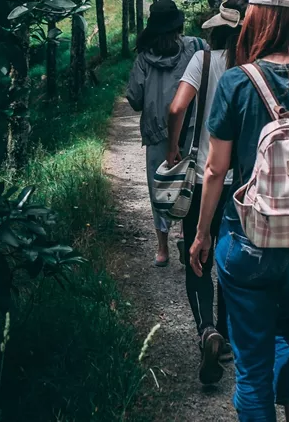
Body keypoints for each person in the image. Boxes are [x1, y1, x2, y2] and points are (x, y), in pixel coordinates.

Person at [189, 0, 289, 418]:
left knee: (252, 366)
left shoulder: (236, 82)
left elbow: (214, 169)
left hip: (249, 240)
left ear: (257, 19)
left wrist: (202, 234)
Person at [166, 0, 248, 385]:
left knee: (197, 256)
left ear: (215, 28)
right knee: (229, 258)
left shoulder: (202, 59)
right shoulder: (252, 66)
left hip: (202, 177)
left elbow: (176, 107)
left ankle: (206, 330)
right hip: (242, 185)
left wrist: (172, 147)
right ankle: (228, 339)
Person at [126, 0, 207, 267]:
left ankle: (163, 249)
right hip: (192, 130)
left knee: (159, 189)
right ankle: (187, 236)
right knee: (192, 184)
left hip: (157, 133)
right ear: (178, 25)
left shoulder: (143, 59)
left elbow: (135, 99)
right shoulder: (196, 47)